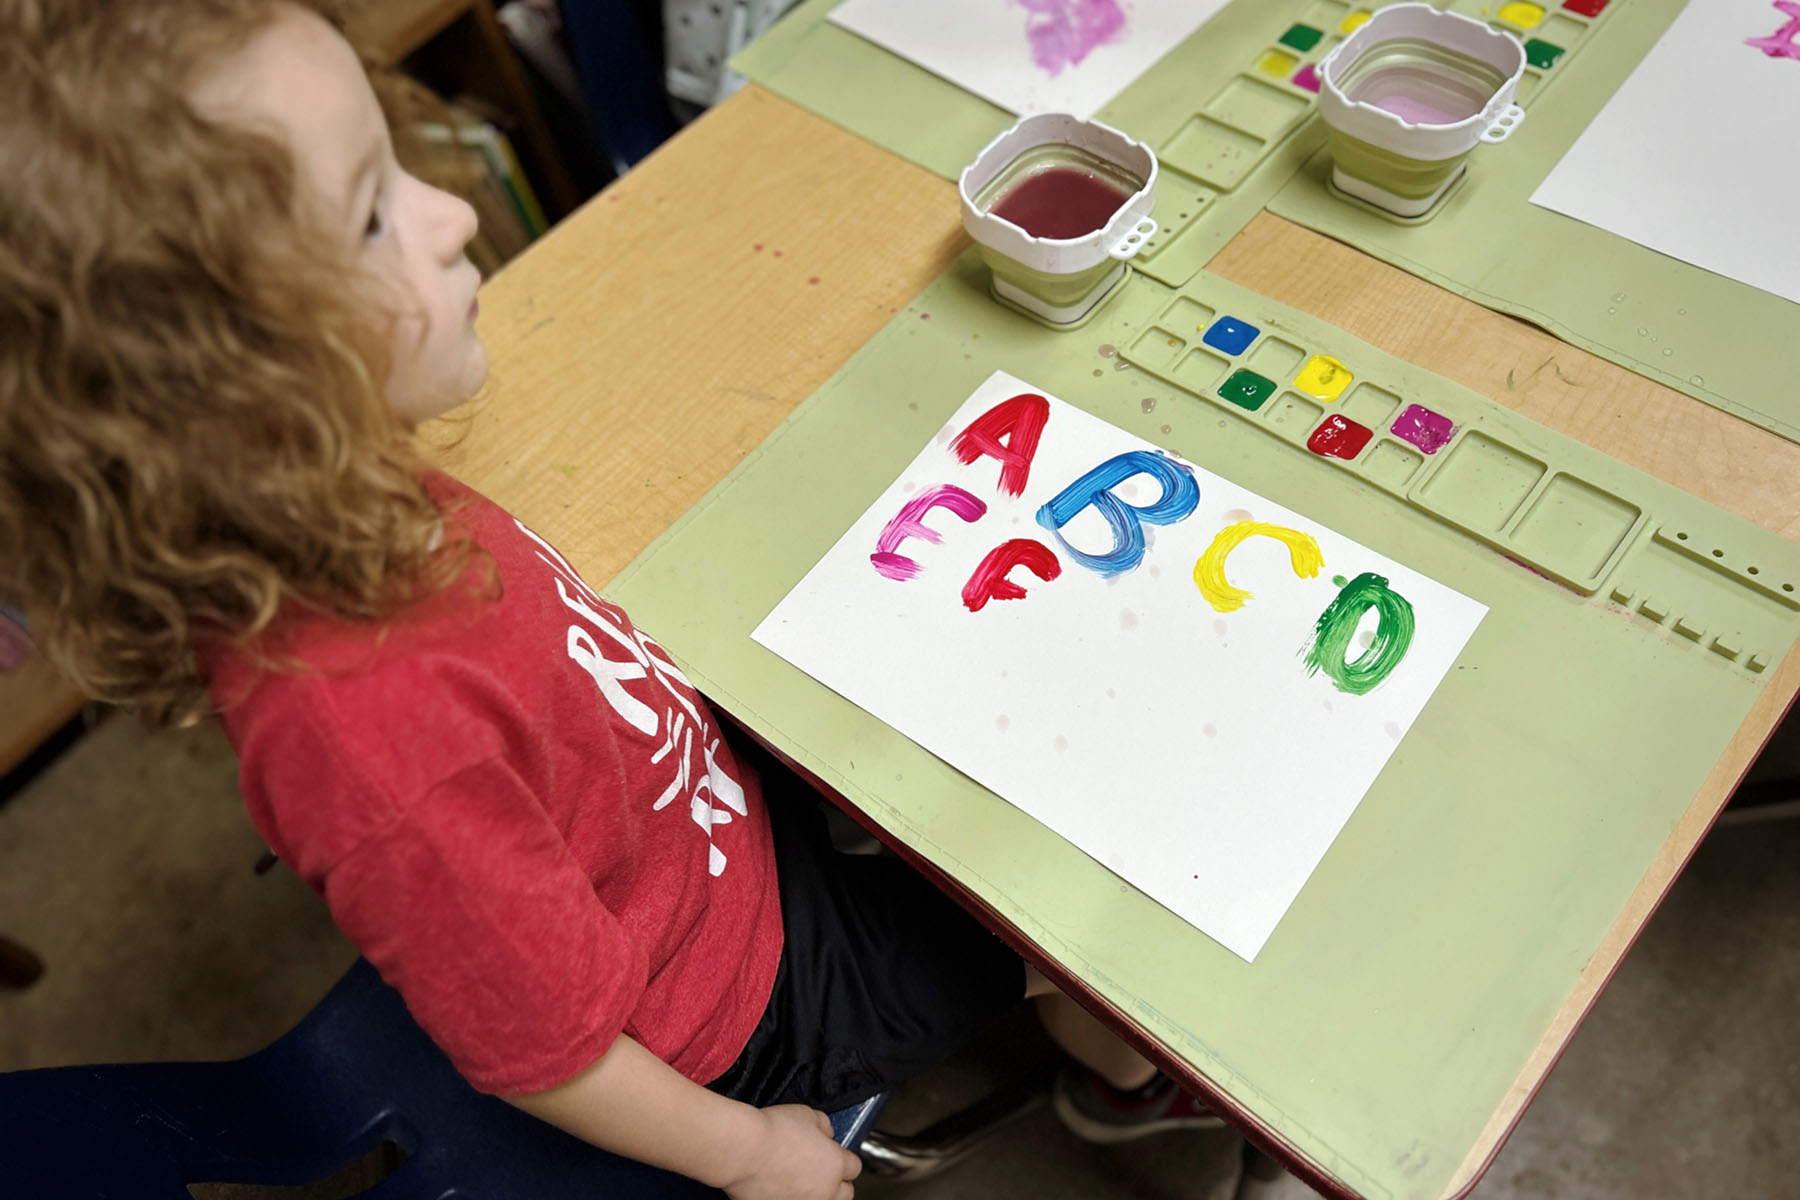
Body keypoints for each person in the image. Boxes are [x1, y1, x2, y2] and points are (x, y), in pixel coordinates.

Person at [0, 1, 1213, 1194]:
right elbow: (547, 1053)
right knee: (1083, 913)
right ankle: (1117, 1086)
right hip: (751, 1013)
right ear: (231, 401)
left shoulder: (331, 486)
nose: (456, 210)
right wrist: (750, 1158)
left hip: (707, 834)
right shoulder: (368, 743)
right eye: (373, 215)